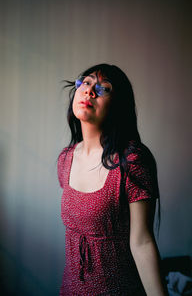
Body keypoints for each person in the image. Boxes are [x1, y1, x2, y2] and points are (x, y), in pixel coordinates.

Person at [57, 64, 168, 295]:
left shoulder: (133, 160)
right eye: (86, 83)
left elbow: (142, 243)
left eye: (103, 88)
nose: (89, 91)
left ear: (118, 106)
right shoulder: (65, 159)